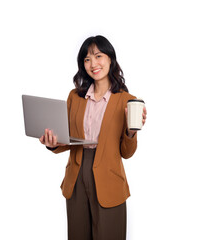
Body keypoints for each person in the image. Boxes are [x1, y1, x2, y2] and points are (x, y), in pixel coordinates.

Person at [39, 35, 146, 240]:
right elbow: (68, 139)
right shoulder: (75, 97)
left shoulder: (127, 100)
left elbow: (127, 153)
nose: (93, 63)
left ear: (110, 59)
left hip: (109, 178)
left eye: (98, 56)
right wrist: (52, 144)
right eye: (87, 59)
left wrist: (131, 132)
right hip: (76, 177)